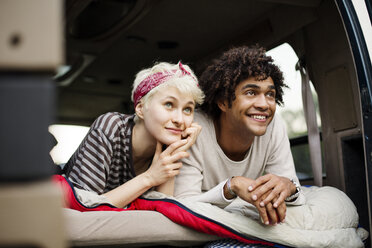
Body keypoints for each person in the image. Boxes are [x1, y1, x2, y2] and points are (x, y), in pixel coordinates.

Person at [174, 46, 305, 226]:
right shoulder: (194, 127)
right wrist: (231, 187)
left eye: (270, 94)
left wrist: (288, 186)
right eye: (251, 93)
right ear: (223, 102)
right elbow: (183, 206)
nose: (264, 104)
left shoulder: (274, 126)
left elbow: (296, 194)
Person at [62, 61, 204, 208]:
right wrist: (150, 177)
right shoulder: (111, 126)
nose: (179, 120)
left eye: (187, 109)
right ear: (141, 108)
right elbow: (82, 207)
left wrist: (175, 151)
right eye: (169, 104)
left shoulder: (168, 145)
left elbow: (162, 214)